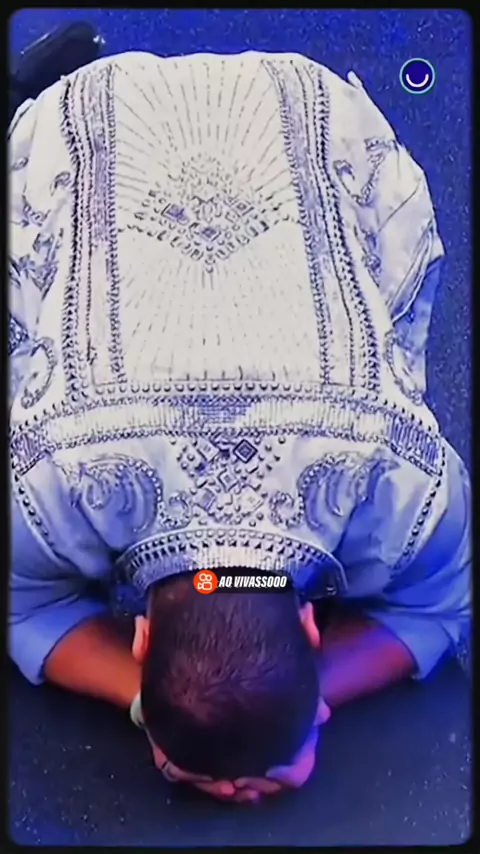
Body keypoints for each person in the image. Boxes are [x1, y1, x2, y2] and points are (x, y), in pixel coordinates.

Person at [9, 49, 470, 804]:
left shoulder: (401, 481)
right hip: (116, 108)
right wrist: (283, 712)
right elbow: (443, 606)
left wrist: (181, 709)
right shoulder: (46, 477)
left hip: (298, 101)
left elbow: (444, 603)